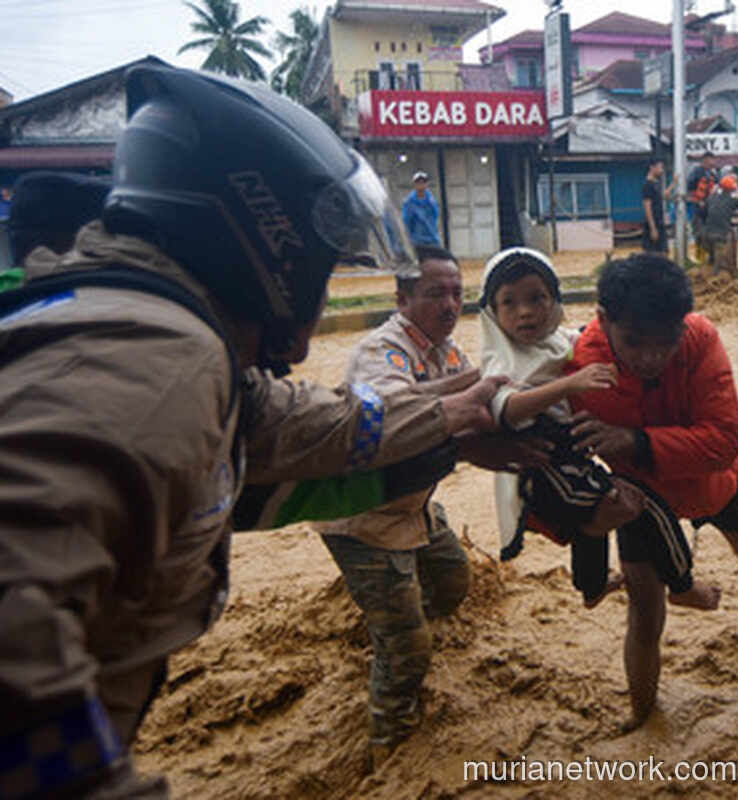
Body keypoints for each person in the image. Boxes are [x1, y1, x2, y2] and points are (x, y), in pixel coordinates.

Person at [0, 65, 501, 798]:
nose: (321, 296)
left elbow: (301, 422)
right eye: (323, 268)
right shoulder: (155, 363)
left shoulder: (146, 321)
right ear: (269, 245)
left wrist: (455, 414)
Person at [565, 253, 738, 729]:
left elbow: (726, 440)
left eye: (664, 343)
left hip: (718, 481)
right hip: (642, 501)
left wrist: (632, 440)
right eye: (634, 342)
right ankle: (643, 720)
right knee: (645, 612)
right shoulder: (580, 364)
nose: (650, 357)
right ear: (604, 320)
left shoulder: (700, 337)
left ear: (682, 325)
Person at [478, 247, 721, 612]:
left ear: (555, 301)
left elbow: (586, 341)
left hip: (569, 457)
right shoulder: (501, 358)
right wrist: (569, 386)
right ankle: (683, 584)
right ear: (491, 313)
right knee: (642, 503)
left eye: (536, 298)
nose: (525, 311)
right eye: (509, 302)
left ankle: (591, 586)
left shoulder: (557, 341)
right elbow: (506, 410)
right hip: (545, 464)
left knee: (594, 518)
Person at [313, 245, 480, 768]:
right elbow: (396, 411)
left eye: (457, 293)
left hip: (412, 504)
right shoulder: (380, 350)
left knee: (453, 582)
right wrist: (477, 384)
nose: (450, 304)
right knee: (409, 651)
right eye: (436, 294)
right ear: (403, 298)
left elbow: (478, 416)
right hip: (361, 515)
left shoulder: (445, 351)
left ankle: (393, 619)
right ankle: (390, 742)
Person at [686, 152, 719, 264]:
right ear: (705, 160)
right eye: (711, 160)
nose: (713, 162)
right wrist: (696, 199)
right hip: (699, 208)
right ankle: (700, 259)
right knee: (699, 234)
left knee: (711, 234)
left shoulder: (713, 174)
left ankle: (711, 258)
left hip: (711, 209)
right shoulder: (697, 172)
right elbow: (689, 186)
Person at [641, 157, 676, 253]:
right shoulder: (647, 185)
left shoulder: (656, 183)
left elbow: (663, 196)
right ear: (652, 168)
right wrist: (652, 228)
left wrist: (673, 183)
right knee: (652, 253)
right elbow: (647, 207)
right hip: (653, 224)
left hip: (660, 222)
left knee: (664, 251)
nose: (662, 170)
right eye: (660, 167)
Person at [401, 170, 441, 247]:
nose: (421, 184)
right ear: (414, 184)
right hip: (416, 242)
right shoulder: (409, 202)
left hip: (432, 240)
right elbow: (406, 221)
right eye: (418, 182)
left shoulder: (431, 202)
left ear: (427, 184)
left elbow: (435, 218)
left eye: (423, 182)